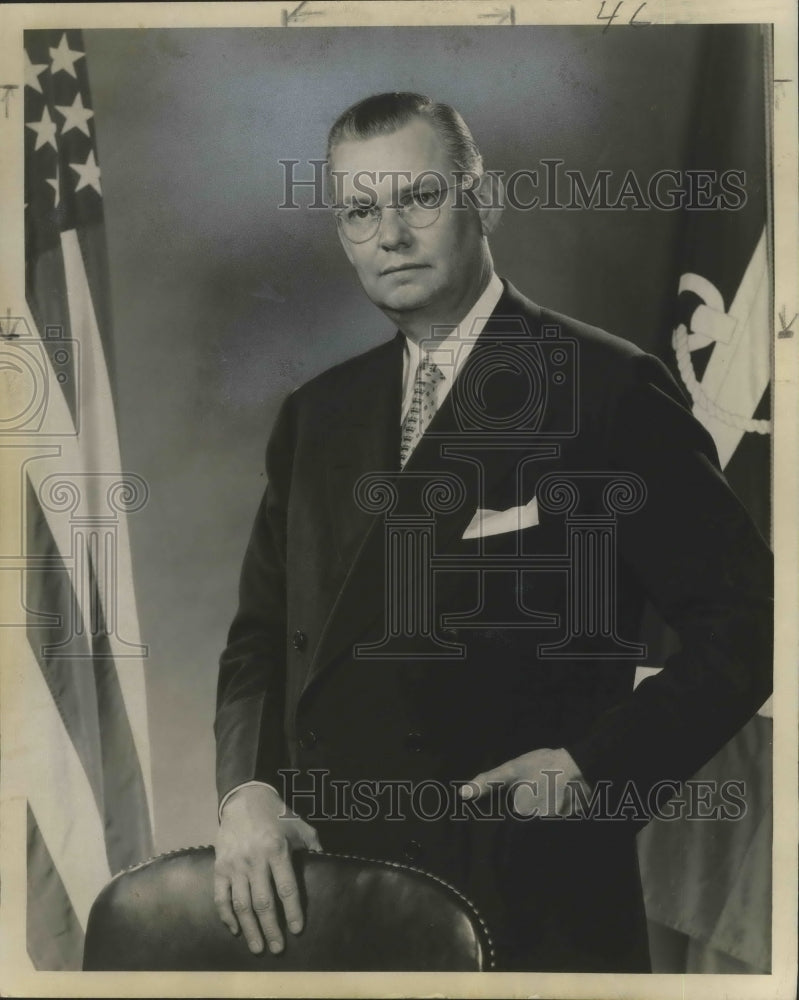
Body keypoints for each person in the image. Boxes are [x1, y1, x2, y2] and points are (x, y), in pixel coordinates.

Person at [212, 92, 772, 972]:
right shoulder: (315, 416)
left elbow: (748, 623)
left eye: (419, 198)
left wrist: (594, 768)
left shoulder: (607, 390)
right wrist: (245, 793)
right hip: (328, 905)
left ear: (485, 200)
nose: (390, 234)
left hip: (524, 907)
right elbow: (258, 643)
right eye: (361, 210)